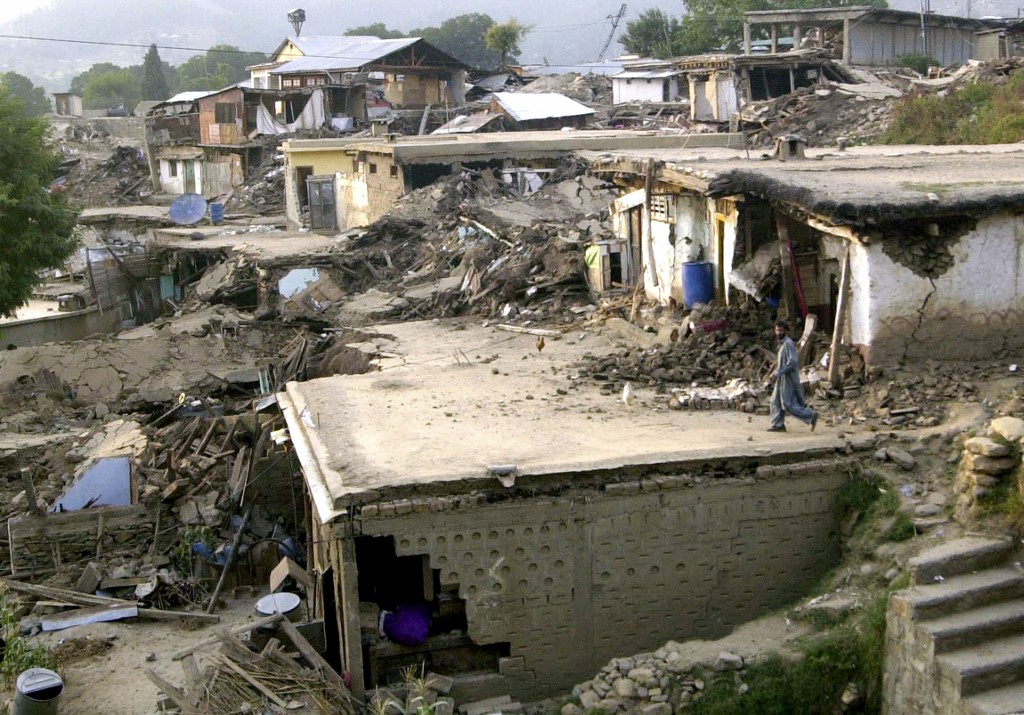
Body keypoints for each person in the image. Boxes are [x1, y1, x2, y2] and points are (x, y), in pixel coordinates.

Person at [768, 320, 818, 432]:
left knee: (787, 404)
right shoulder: (781, 344)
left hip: (788, 378)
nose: (778, 332)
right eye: (777, 330)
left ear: (785, 331)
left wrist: (778, 373)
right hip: (781, 377)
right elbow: (782, 363)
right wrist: (774, 374)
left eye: (781, 330)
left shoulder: (788, 344)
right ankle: (778, 425)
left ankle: (811, 416)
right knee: (774, 401)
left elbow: (793, 361)